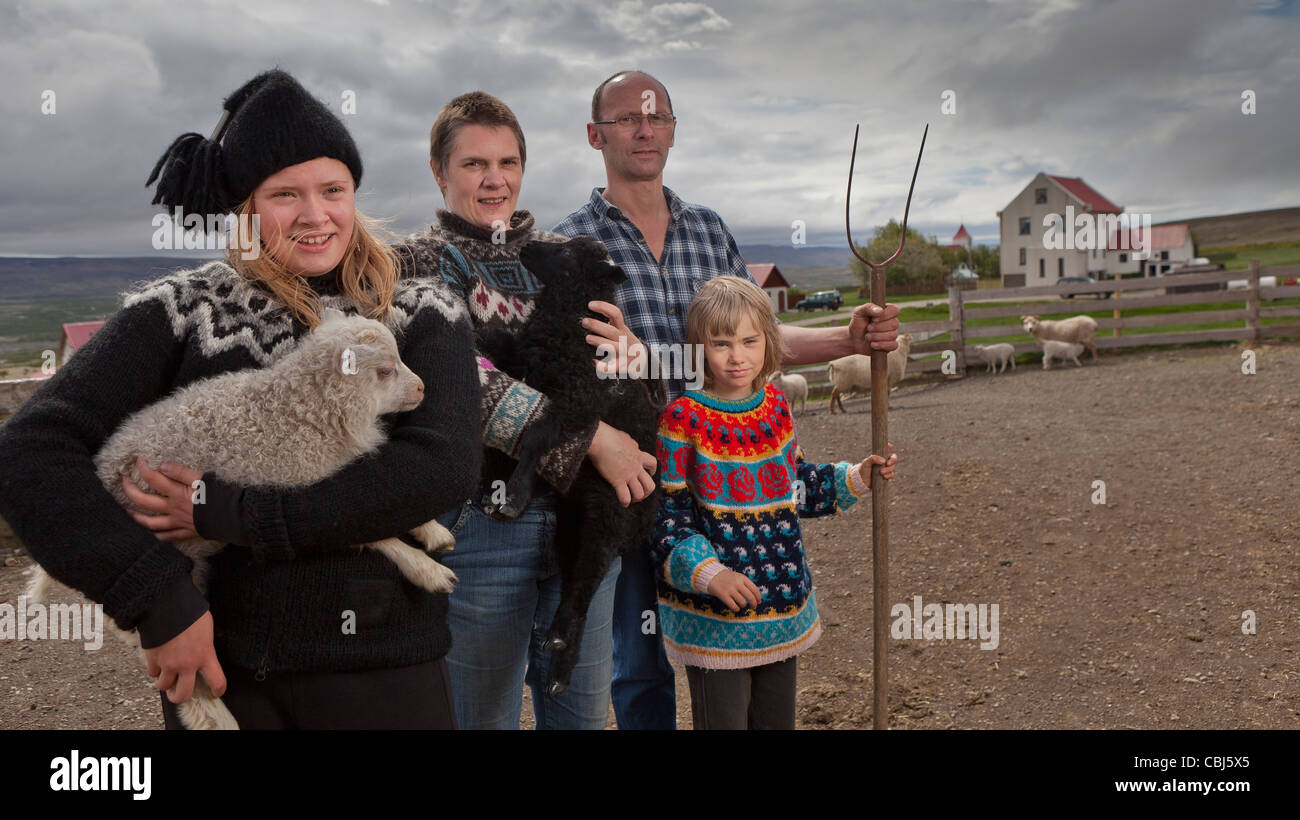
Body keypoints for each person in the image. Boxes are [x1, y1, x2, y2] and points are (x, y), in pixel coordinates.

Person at [0, 69, 481, 729]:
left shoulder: (419, 308)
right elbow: (29, 450)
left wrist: (229, 511)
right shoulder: (182, 311)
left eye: (332, 189)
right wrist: (157, 599)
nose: (315, 215)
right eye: (285, 193)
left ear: (353, 193)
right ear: (246, 208)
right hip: (227, 678)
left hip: (388, 672)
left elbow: (436, 469)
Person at [553, 70, 902, 729]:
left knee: (737, 635)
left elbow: (753, 340)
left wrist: (844, 338)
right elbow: (569, 378)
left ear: (675, 130)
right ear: (595, 134)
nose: (645, 129)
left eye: (657, 117)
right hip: (629, 476)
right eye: (628, 118)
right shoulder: (569, 247)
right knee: (639, 660)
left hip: (724, 478)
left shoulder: (709, 232)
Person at [401, 92, 654, 730]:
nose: (495, 179)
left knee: (584, 719)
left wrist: (633, 364)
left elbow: (611, 374)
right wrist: (591, 438)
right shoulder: (414, 266)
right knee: (479, 718)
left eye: (509, 161)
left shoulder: (569, 257)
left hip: (583, 518)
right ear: (439, 171)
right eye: (474, 164)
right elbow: (456, 383)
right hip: (481, 524)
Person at [652, 276, 897, 729]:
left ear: (769, 340)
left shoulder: (777, 408)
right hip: (716, 621)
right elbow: (667, 519)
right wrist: (711, 574)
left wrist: (854, 478)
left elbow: (795, 484)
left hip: (781, 605)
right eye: (721, 343)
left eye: (749, 340)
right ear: (697, 348)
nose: (737, 355)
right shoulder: (682, 420)